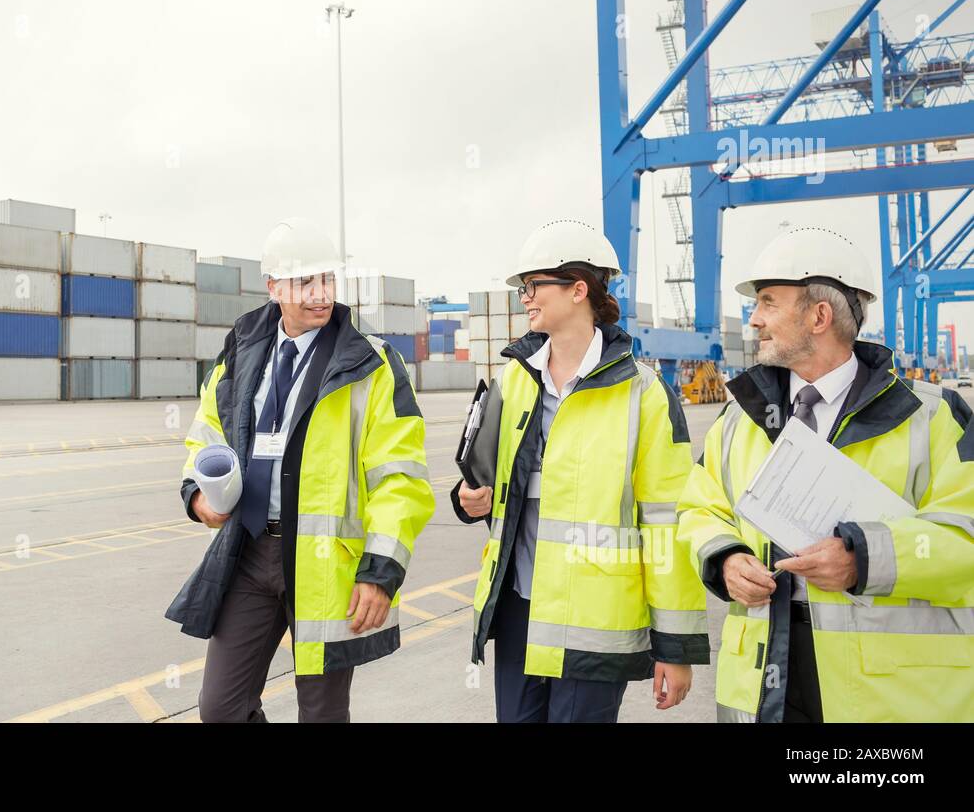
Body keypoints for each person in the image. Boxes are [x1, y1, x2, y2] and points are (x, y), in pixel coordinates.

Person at [678, 225, 974, 722]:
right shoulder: (738, 420)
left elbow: (965, 537)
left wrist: (863, 559)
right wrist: (726, 558)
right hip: (765, 673)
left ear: (819, 316)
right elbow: (698, 509)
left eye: (768, 302)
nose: (754, 320)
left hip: (890, 696)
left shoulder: (935, 418)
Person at [165, 216, 435, 722]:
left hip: (325, 564)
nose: (319, 293)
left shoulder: (372, 366)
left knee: (322, 715)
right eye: (304, 282)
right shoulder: (242, 354)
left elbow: (401, 479)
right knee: (220, 709)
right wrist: (197, 494)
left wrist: (380, 570)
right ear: (273, 287)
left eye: (327, 280)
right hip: (248, 553)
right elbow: (207, 434)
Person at [453, 219, 708, 722]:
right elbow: (484, 478)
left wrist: (675, 646)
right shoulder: (512, 379)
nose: (524, 298)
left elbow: (667, 521)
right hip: (520, 608)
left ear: (577, 290)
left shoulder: (643, 391)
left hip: (594, 620)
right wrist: (468, 498)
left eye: (533, 286)